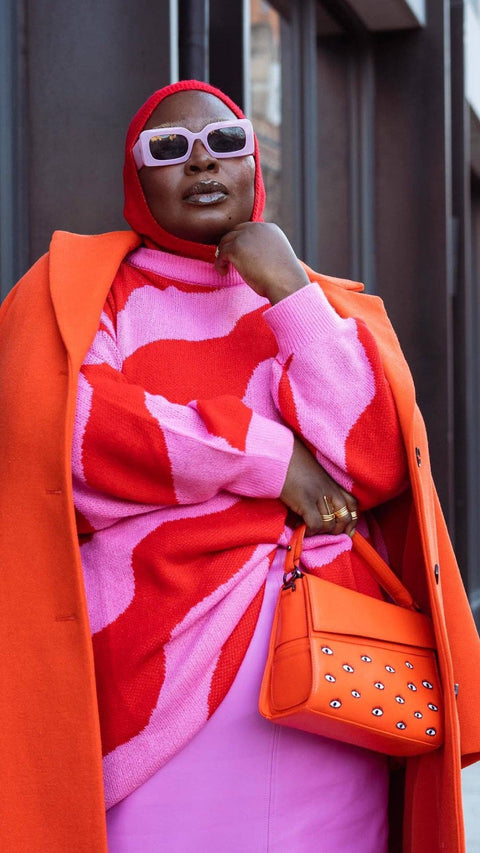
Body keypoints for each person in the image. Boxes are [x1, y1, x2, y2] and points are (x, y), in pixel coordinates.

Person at [0, 79, 479, 853]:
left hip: (330, 681)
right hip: (150, 684)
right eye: (169, 149)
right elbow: (82, 436)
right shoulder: (86, 295)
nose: (200, 163)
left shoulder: (315, 303)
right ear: (135, 177)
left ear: (256, 162)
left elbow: (373, 460)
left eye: (224, 142)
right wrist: (275, 459)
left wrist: (287, 288)